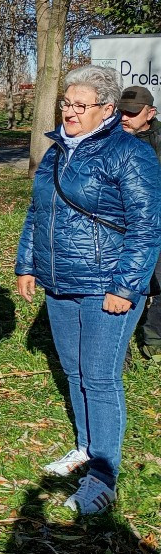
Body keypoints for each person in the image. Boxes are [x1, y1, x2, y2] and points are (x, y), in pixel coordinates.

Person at [16, 66, 161, 514]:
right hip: (60, 283)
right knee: (75, 371)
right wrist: (27, 264)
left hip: (107, 286)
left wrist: (126, 286)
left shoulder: (130, 154)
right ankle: (84, 446)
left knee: (99, 378)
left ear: (107, 109)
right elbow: (38, 213)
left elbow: (146, 227)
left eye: (81, 105)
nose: (70, 112)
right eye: (66, 103)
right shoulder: (59, 151)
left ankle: (103, 475)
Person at [116, 85, 161, 361]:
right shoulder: (111, 139)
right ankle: (119, 352)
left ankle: (154, 341)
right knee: (126, 284)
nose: (125, 118)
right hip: (120, 227)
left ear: (150, 113)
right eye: (122, 111)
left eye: (132, 113)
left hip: (156, 224)